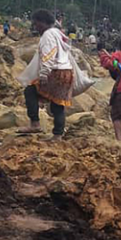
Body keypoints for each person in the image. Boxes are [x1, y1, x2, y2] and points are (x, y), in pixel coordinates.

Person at [17, 9, 73, 141]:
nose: (36, 27)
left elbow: (49, 54)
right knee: (57, 104)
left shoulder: (48, 35)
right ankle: (58, 135)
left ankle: (35, 124)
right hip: (66, 72)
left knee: (30, 91)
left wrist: (43, 74)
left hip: (55, 72)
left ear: (43, 22)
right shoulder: (59, 34)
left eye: (37, 24)